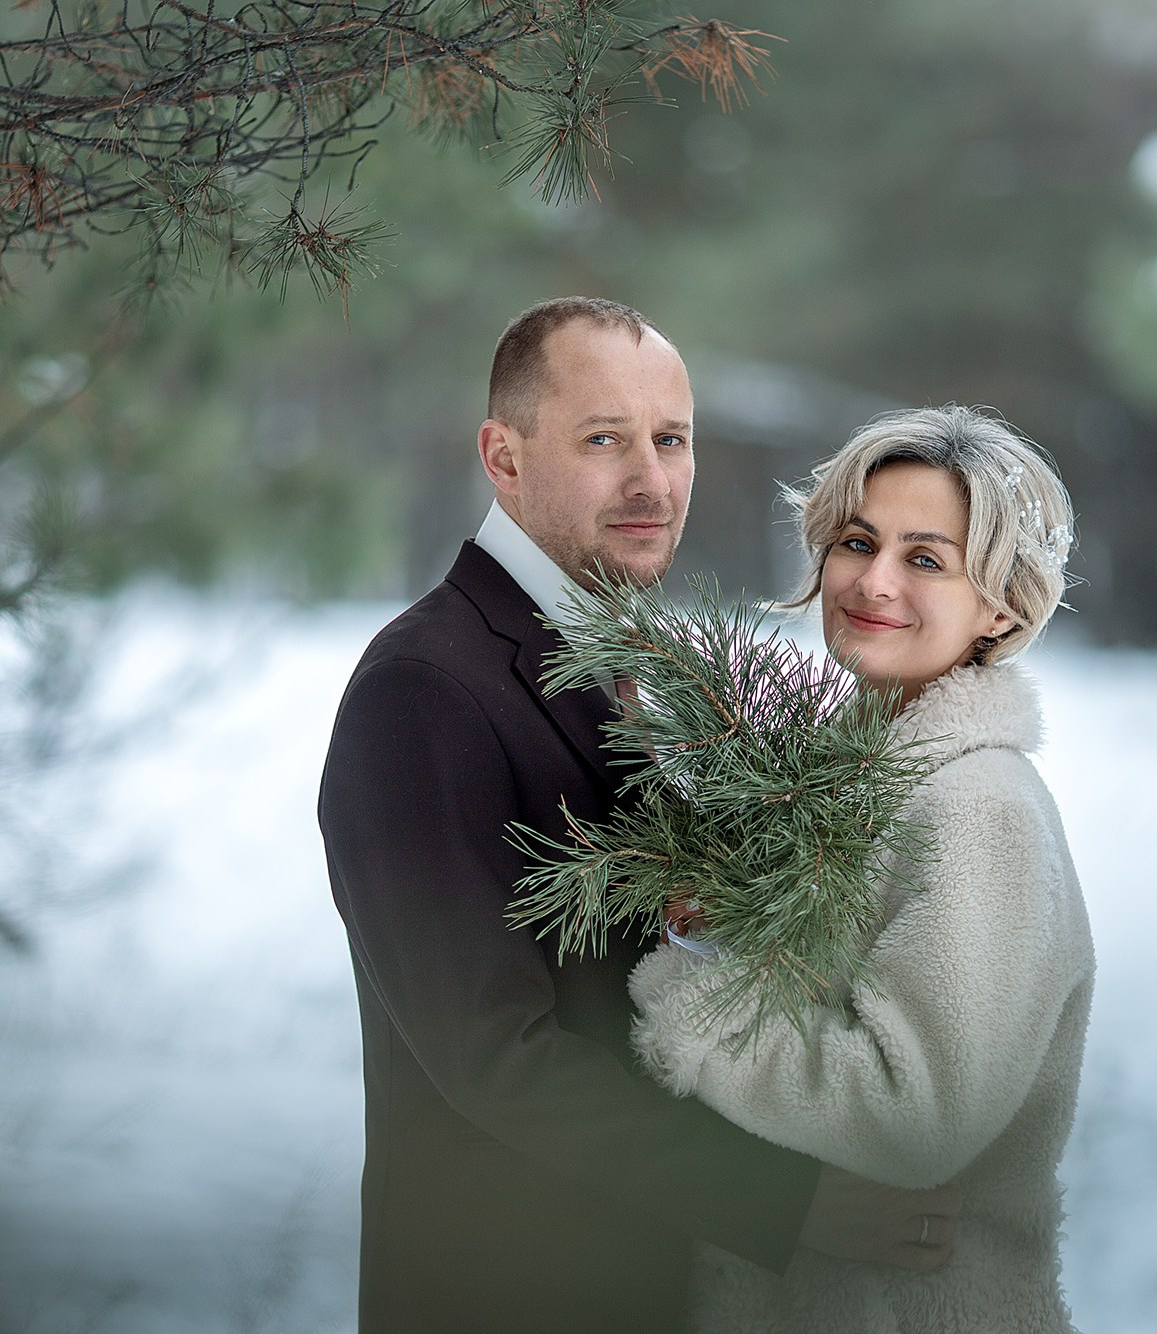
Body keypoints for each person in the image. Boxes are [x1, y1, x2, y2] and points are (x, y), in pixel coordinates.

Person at [316, 298, 960, 1334]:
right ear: (502, 454)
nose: (650, 481)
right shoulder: (423, 688)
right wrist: (788, 1198)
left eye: (671, 439)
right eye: (603, 438)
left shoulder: (637, 673)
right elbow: (498, 1056)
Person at [629, 405, 1094, 1334]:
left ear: (1001, 605)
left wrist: (681, 990)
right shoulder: (847, 784)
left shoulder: (978, 809)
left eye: (925, 558)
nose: (873, 581)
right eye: (856, 541)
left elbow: (910, 1114)